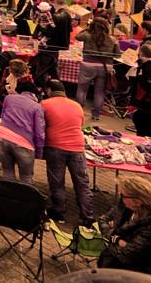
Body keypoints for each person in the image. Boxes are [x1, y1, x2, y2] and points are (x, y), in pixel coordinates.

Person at [41, 80, 93, 223]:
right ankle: (88, 217)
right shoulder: (77, 105)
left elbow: (40, 126)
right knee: (82, 184)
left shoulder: (45, 104)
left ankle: (58, 211)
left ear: (49, 90)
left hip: (55, 147)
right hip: (77, 147)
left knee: (57, 182)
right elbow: (80, 124)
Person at [98, 176, 151, 272]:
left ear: (138, 201)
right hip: (109, 264)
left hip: (129, 273)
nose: (121, 198)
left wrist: (113, 237)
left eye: (123, 196)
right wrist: (117, 239)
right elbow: (103, 219)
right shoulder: (125, 207)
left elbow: (126, 255)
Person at [0, 79, 44, 184]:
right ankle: (23, 194)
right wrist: (39, 152)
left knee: (7, 172)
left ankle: (7, 192)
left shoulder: (8, 98)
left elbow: (3, 115)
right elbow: (40, 133)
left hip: (3, 138)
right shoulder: (37, 107)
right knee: (26, 178)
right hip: (24, 144)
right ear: (34, 94)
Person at [75, 15, 118, 121]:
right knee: (100, 92)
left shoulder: (87, 35)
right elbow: (117, 54)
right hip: (105, 67)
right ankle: (96, 115)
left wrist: (88, 28)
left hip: (88, 64)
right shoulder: (112, 39)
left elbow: (78, 36)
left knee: (82, 90)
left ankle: (79, 112)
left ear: (92, 25)